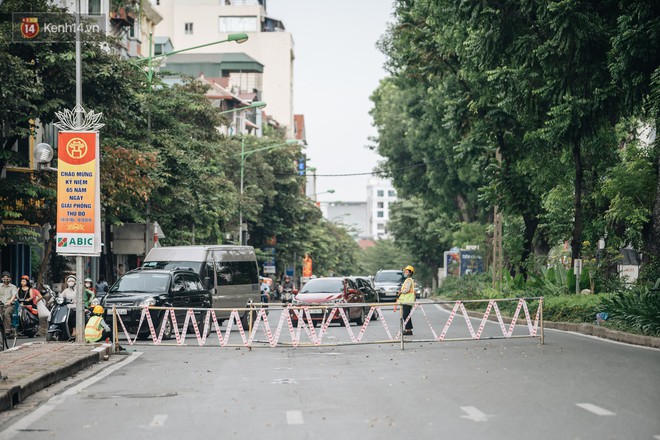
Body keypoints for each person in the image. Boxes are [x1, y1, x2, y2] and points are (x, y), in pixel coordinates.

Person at [396, 265, 416, 336]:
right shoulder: (409, 280)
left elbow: (406, 290)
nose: (405, 272)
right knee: (406, 315)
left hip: (407, 301)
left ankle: (408, 330)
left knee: (406, 315)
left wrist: (401, 291)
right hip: (407, 301)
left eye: (407, 271)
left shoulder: (408, 280)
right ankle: (408, 329)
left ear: (410, 273)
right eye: (405, 271)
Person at [0, 272, 18, 336]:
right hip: (1, 304)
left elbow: (14, 295)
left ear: (10, 279)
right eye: (4, 278)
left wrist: (10, 301)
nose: (6, 280)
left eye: (7, 278)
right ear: (2, 279)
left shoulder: (13, 287)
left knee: (6, 314)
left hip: (10, 305)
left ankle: (7, 330)